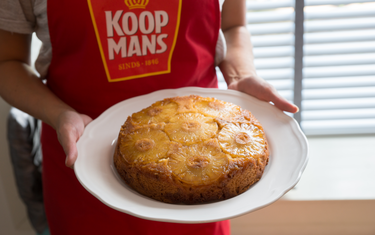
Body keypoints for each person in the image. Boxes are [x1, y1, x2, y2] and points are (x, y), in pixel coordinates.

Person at [0, 0, 299, 234]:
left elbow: (233, 24)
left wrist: (241, 74)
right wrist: (60, 114)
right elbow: (7, 61)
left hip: (203, 169)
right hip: (83, 164)